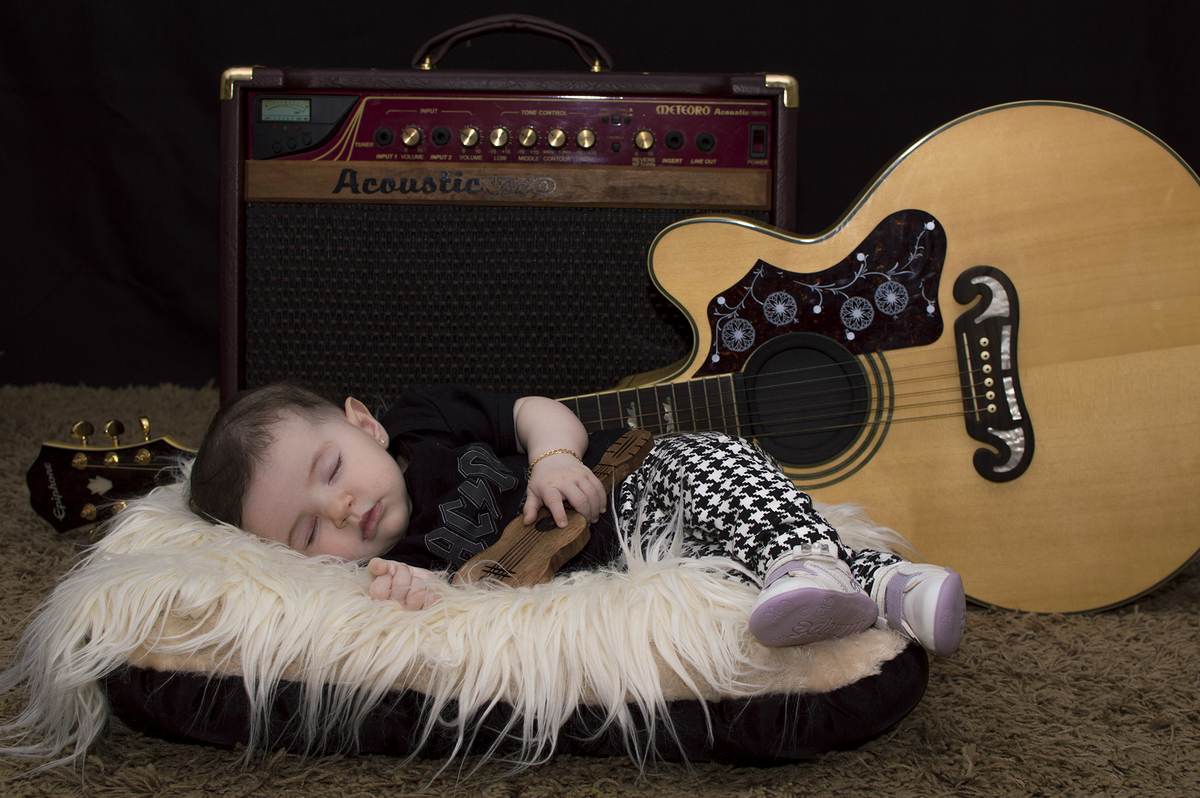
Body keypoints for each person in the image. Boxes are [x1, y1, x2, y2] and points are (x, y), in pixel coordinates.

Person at [187, 382, 966, 657]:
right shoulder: (379, 571)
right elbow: (444, 625)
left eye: (330, 473)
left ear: (362, 423)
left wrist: (555, 457)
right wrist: (412, 595)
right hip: (619, 579)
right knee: (729, 585)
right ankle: (892, 589)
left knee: (709, 465)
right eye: (305, 534)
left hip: (624, 504)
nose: (344, 510)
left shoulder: (423, 424)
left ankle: (814, 564)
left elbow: (532, 410)